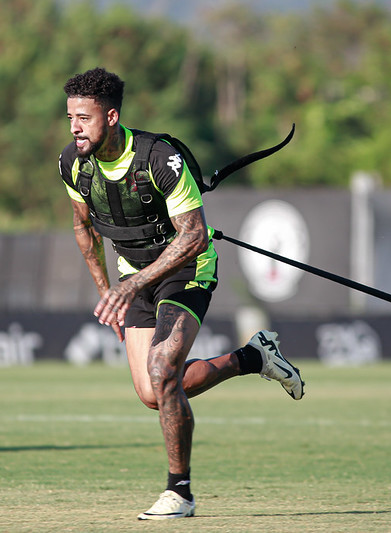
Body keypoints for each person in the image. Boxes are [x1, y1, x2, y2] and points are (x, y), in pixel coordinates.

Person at [58, 67, 305, 520]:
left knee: (161, 367)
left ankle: (180, 492)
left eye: (84, 118)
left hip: (187, 268)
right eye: (71, 116)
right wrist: (109, 293)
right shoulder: (72, 164)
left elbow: (192, 237)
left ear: (111, 117)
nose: (75, 126)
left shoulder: (158, 158)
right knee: (153, 392)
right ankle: (253, 358)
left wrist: (130, 284)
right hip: (135, 276)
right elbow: (83, 227)